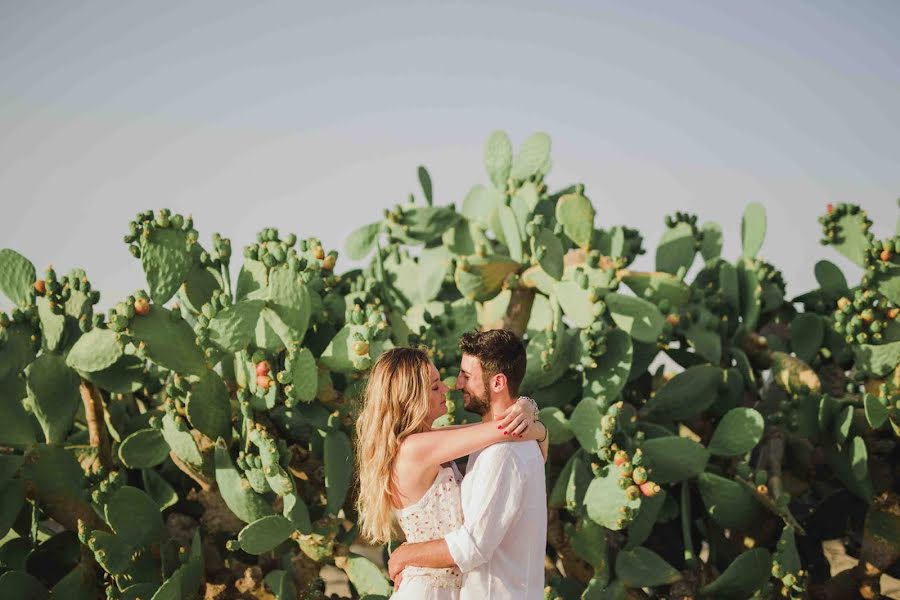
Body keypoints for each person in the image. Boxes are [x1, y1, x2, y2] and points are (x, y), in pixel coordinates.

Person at [355, 341, 548, 599]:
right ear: (412, 400)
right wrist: (530, 412)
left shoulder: (429, 441)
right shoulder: (416, 448)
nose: (447, 387)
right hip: (427, 590)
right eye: (435, 386)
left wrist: (531, 415)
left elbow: (506, 432)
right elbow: (504, 430)